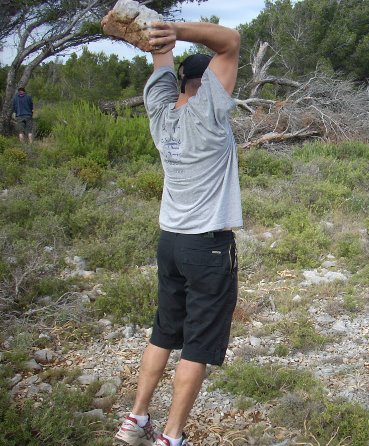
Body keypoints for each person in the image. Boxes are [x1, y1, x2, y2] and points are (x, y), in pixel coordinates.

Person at [106, 17, 242, 446]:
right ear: (211, 83)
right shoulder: (211, 112)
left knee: (164, 332)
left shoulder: (160, 112)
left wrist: (157, 37)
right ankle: (171, 436)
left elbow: (160, 60)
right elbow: (231, 43)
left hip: (170, 243)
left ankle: (136, 419)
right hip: (208, 247)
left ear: (181, 81)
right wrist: (174, 27)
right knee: (197, 345)